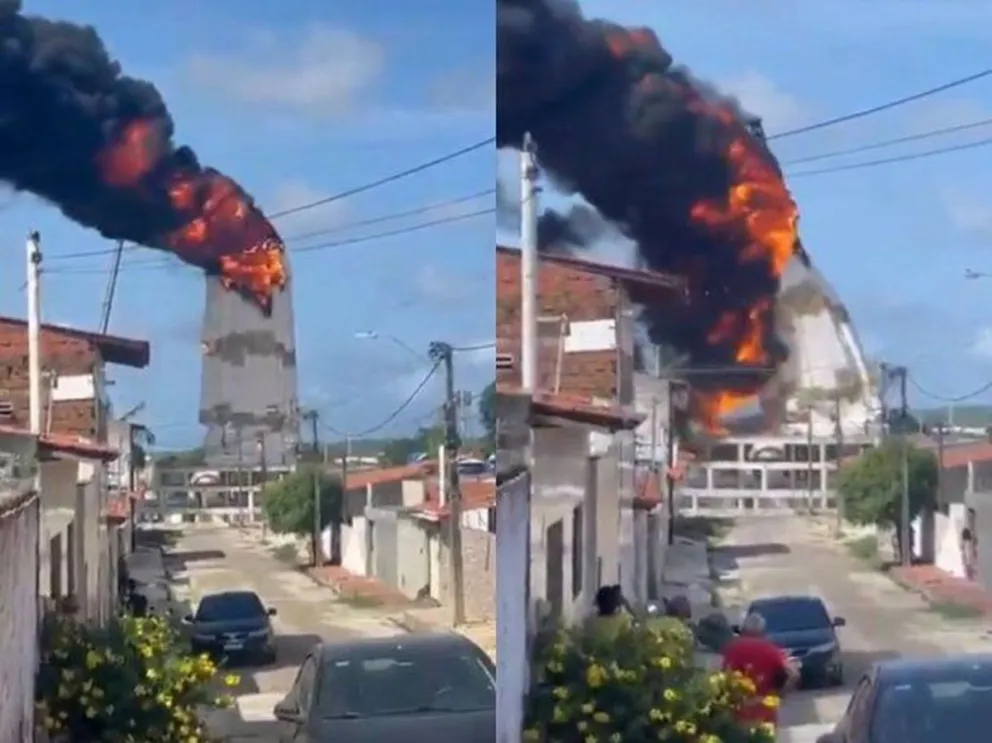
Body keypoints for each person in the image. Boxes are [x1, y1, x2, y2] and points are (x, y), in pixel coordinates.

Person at [721, 612, 798, 727]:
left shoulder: (731, 648)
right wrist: (780, 694)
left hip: (738, 712)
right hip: (764, 712)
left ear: (743, 629)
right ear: (762, 631)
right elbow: (793, 674)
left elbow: (722, 676)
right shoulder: (770, 649)